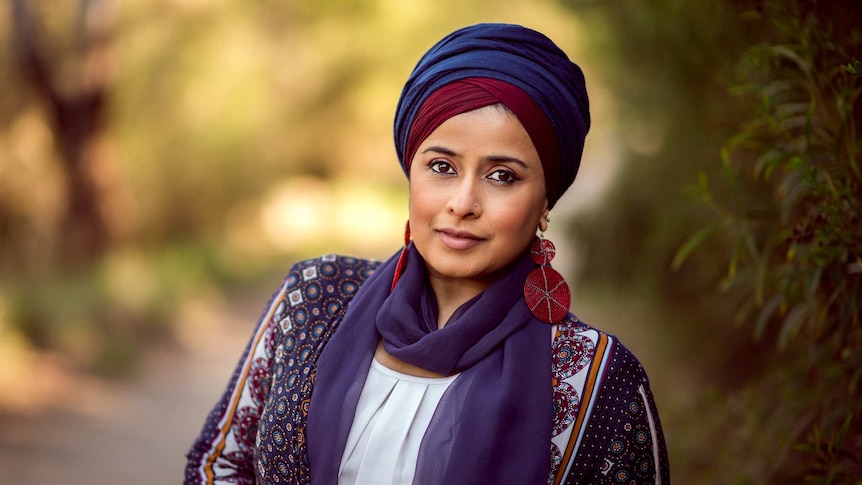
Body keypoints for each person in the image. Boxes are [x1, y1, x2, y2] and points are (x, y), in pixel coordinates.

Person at [185, 23, 670, 485]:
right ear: (411, 172)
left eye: (502, 175)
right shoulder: (312, 297)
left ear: (546, 202)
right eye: (441, 166)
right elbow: (219, 464)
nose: (462, 203)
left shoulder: (598, 380)